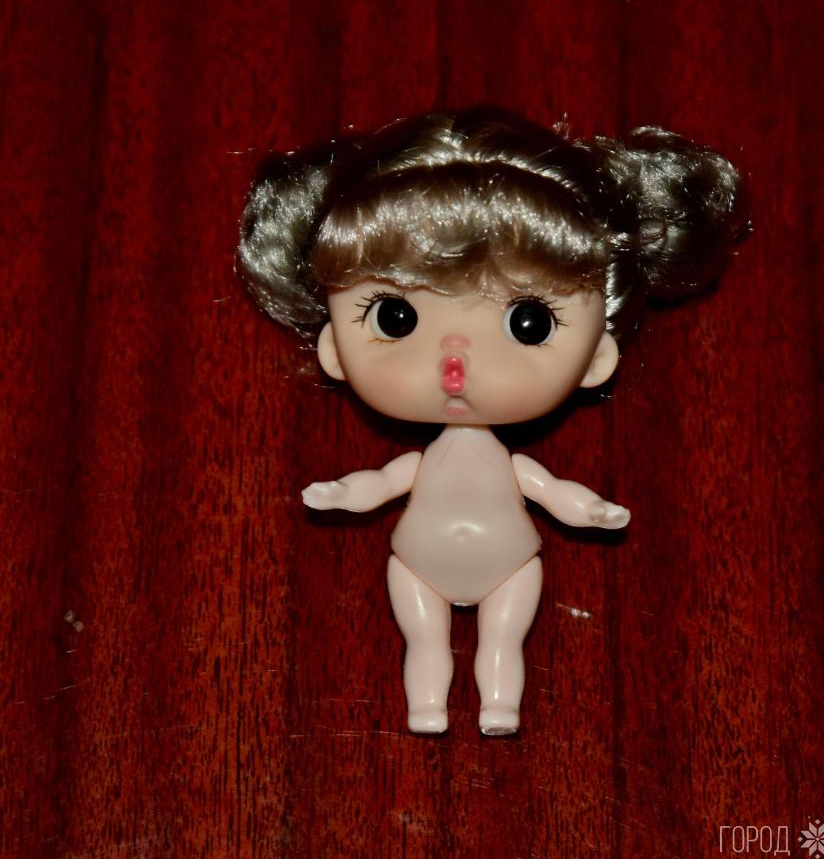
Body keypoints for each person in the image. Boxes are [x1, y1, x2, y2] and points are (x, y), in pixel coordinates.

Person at [237, 105, 745, 735]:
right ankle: (427, 707)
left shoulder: (506, 466)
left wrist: (593, 511)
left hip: (511, 565)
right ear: (334, 350)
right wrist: (342, 492)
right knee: (423, 640)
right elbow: (382, 484)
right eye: (396, 318)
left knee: (503, 640)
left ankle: (499, 706)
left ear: (597, 358)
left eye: (528, 324)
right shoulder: (429, 463)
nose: (456, 359)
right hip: (416, 563)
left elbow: (553, 493)